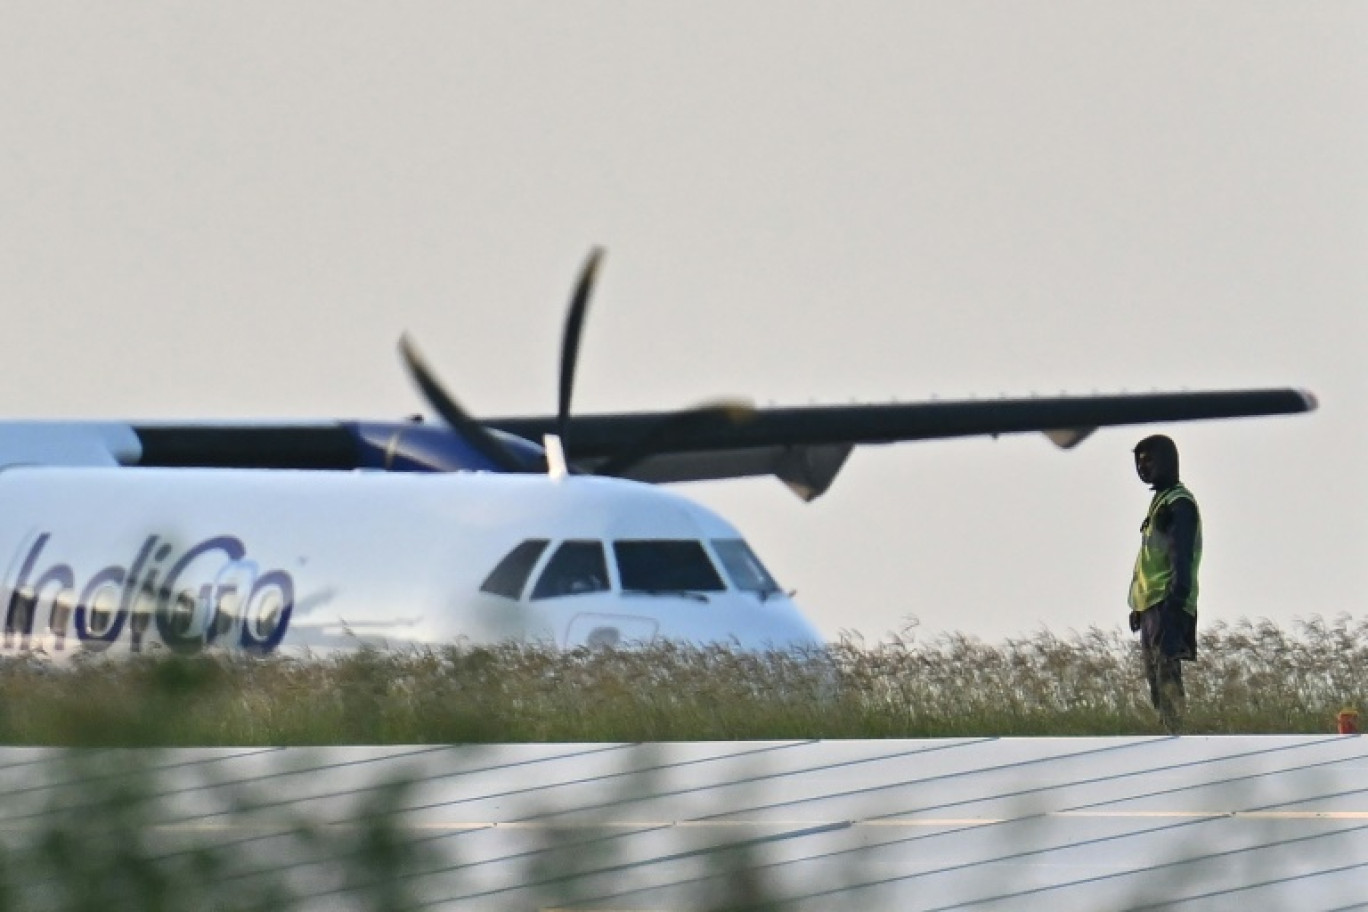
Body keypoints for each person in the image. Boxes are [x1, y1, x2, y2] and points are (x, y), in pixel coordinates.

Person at [1127, 434, 1202, 732]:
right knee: (1154, 677)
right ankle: (1166, 731)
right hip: (1150, 604)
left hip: (1168, 602)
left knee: (1167, 674)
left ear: (1167, 461)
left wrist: (1176, 600)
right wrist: (1137, 606)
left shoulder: (1178, 503)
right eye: (1139, 462)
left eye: (1149, 461)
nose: (1143, 468)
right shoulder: (1158, 502)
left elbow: (1180, 556)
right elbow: (1148, 560)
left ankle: (1177, 734)